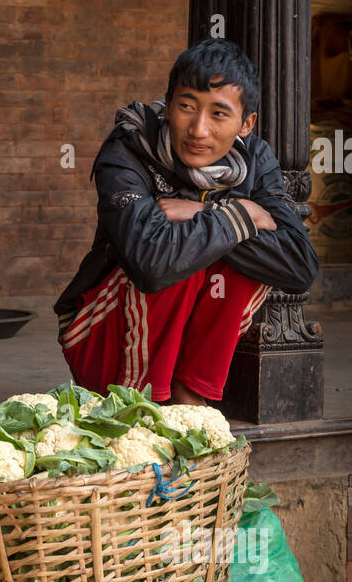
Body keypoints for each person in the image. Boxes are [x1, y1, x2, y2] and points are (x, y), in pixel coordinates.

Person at [54, 38, 318, 405]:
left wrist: (208, 212)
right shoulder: (129, 147)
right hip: (100, 341)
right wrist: (242, 214)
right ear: (168, 105)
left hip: (180, 352)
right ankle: (142, 403)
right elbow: (150, 266)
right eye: (187, 107)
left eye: (219, 114)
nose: (198, 129)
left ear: (246, 123)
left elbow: (300, 266)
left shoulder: (255, 160)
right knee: (184, 247)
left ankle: (190, 397)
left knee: (231, 249)